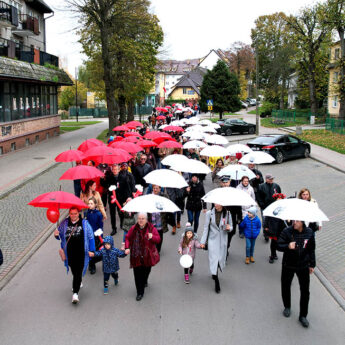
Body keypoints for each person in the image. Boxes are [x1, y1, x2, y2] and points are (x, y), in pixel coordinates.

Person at [277, 220, 316, 328]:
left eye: (297, 221)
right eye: (293, 220)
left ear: (302, 222)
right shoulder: (287, 231)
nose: (294, 222)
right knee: (285, 285)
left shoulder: (309, 232)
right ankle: (287, 306)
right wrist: (288, 246)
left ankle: (303, 315)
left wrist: (312, 264)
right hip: (288, 264)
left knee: (305, 291)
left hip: (303, 265)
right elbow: (278, 245)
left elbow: (311, 249)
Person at [54, 207, 95, 304]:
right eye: (71, 213)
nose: (73, 215)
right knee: (74, 270)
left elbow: (91, 237)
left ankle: (75, 294)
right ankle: (78, 280)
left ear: (78, 213)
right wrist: (56, 235)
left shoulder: (84, 223)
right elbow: (59, 236)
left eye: (75, 213)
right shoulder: (64, 223)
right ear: (69, 213)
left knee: (77, 272)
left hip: (81, 253)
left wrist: (92, 250)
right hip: (70, 253)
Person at [125, 213, 160, 301]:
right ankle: (140, 292)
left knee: (146, 271)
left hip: (147, 256)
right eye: (139, 218)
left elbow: (158, 239)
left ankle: (145, 280)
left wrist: (152, 237)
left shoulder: (152, 228)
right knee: (137, 275)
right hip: (136, 256)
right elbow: (127, 238)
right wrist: (127, 247)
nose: (140, 220)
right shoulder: (133, 228)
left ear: (146, 219)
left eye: (143, 218)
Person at [200, 204, 232, 293]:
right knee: (214, 259)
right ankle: (216, 281)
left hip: (222, 240)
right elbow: (206, 228)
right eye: (214, 203)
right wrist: (202, 242)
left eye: (217, 203)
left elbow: (231, 227)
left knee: (219, 259)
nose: (215, 204)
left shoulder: (228, 213)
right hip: (212, 240)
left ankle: (214, 271)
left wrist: (229, 228)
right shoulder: (209, 214)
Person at [103, 164, 136, 235]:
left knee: (120, 212)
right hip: (112, 198)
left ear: (119, 170)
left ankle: (121, 222)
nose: (115, 171)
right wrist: (102, 178)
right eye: (113, 169)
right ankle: (114, 228)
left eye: (116, 169)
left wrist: (128, 197)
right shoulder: (109, 177)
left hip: (120, 198)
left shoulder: (123, 177)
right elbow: (104, 185)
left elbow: (127, 188)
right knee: (112, 214)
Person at [219, 175, 242, 253]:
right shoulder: (218, 192)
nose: (225, 184)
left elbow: (239, 206)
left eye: (227, 182)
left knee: (231, 233)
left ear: (229, 182)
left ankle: (227, 246)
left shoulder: (234, 192)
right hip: (221, 217)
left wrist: (239, 217)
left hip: (231, 217)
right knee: (221, 233)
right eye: (224, 182)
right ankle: (223, 249)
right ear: (221, 183)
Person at [257, 173, 282, 241]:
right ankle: (266, 234)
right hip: (265, 207)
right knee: (265, 221)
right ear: (266, 179)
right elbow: (258, 197)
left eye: (272, 179)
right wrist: (262, 205)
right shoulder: (261, 186)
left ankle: (273, 231)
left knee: (274, 220)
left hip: (274, 207)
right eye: (270, 179)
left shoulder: (276, 186)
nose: (271, 180)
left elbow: (280, 195)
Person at [86, 197, 104, 274]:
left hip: (96, 236)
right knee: (89, 250)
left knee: (94, 252)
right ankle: (91, 265)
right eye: (88, 203)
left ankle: (92, 264)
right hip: (88, 236)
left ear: (95, 205)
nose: (89, 205)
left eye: (91, 203)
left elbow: (100, 226)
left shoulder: (99, 214)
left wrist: (101, 238)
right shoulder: (87, 213)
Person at [148, 185, 168, 251]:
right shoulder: (150, 196)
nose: (155, 190)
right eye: (154, 188)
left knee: (159, 235)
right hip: (152, 219)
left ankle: (158, 250)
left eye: (157, 188)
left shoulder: (164, 196)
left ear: (160, 189)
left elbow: (167, 205)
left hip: (160, 219)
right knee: (152, 235)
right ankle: (153, 247)